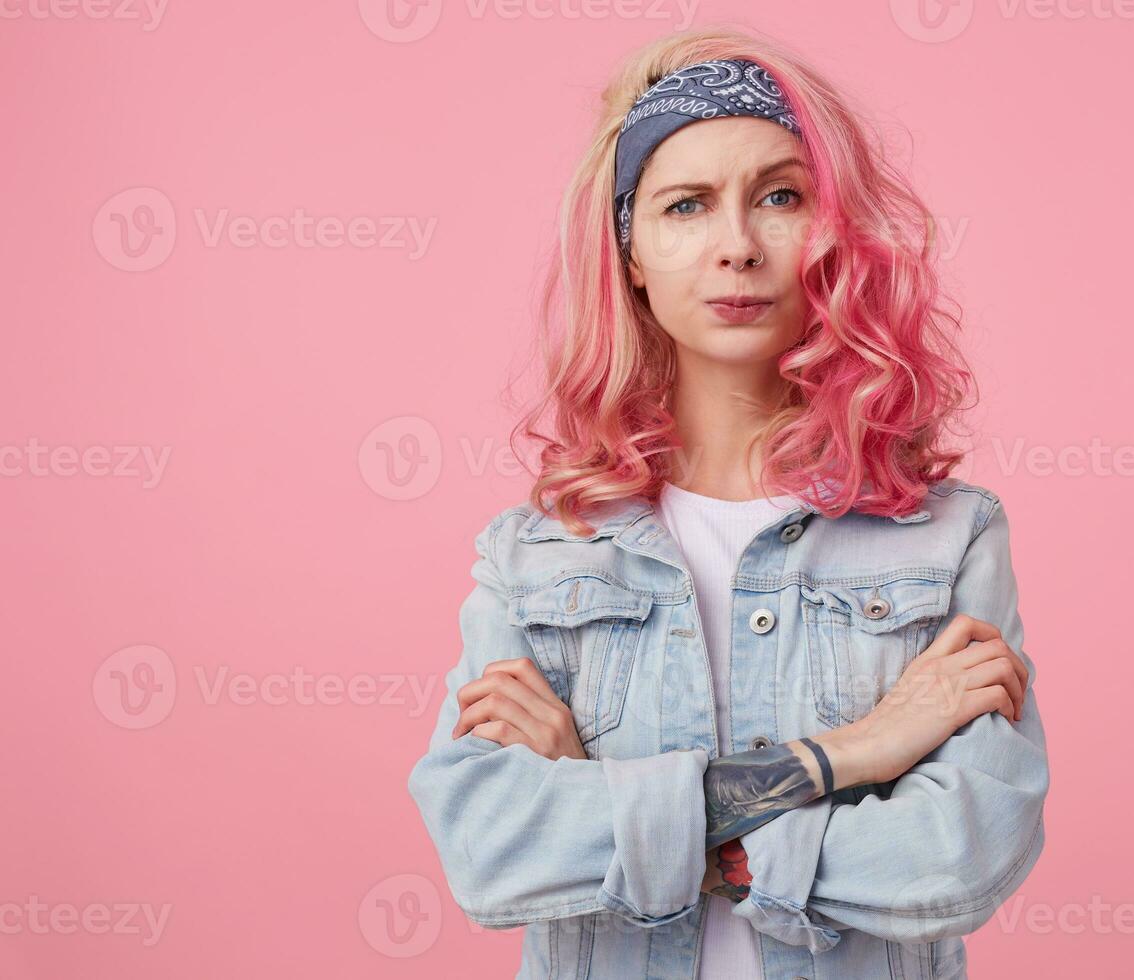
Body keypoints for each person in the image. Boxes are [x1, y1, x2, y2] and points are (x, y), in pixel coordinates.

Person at [408, 27, 1049, 980]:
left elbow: (960, 856)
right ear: (630, 251)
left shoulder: (946, 536)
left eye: (780, 197)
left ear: (832, 233)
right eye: (686, 206)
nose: (739, 246)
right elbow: (491, 850)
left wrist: (610, 805)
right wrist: (856, 753)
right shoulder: (539, 555)